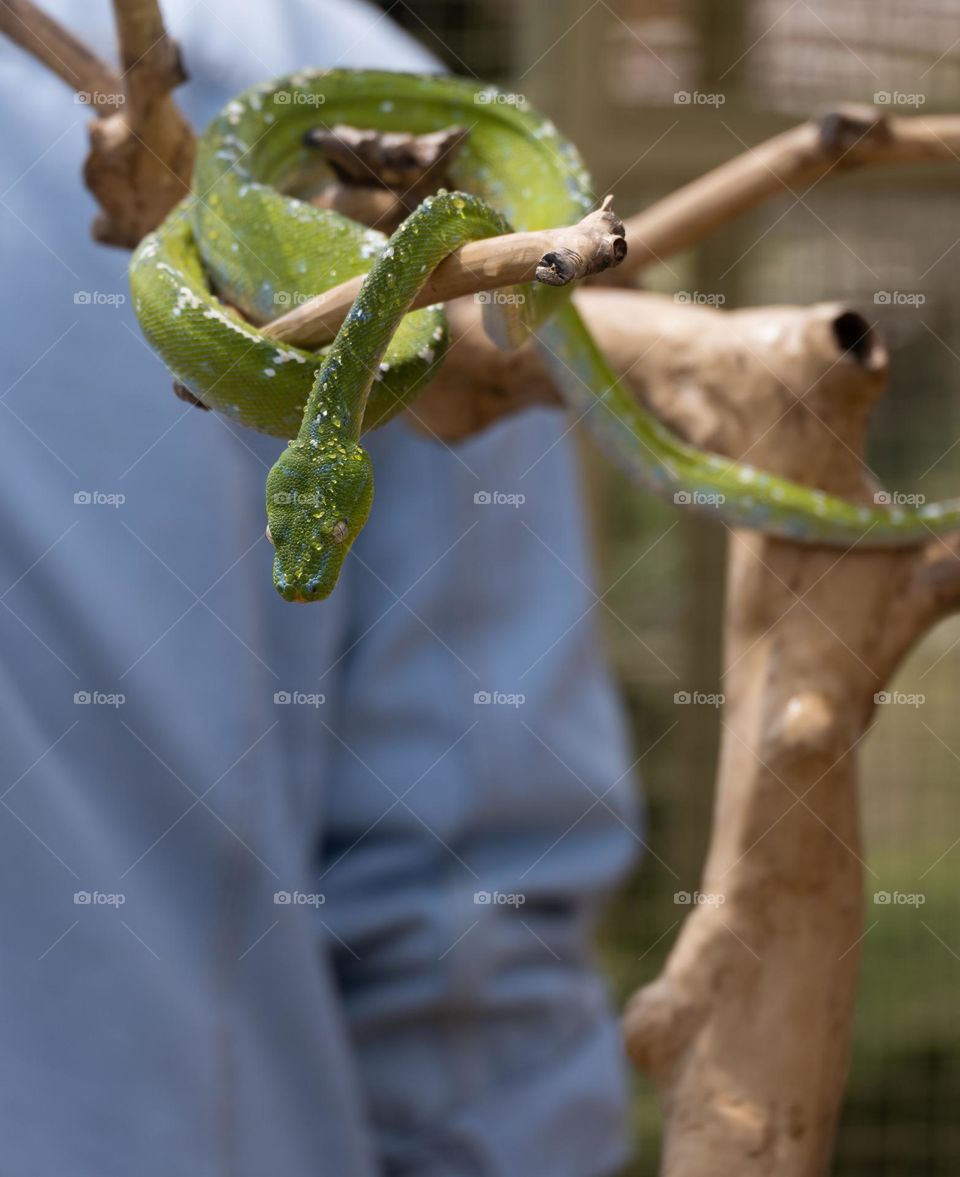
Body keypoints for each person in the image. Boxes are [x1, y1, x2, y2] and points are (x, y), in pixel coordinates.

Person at [0, 1, 640, 1173]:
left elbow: (473, 924)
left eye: (318, 539)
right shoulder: (315, 67)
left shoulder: (343, 104)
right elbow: (477, 931)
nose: (308, 569)